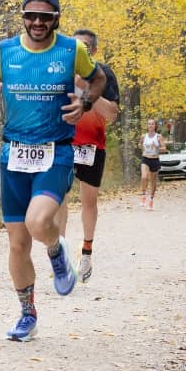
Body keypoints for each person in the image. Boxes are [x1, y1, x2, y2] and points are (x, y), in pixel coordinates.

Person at [0, 0, 107, 341]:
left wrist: (86, 102)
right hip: (14, 153)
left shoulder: (72, 50)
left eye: (44, 17)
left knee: (37, 222)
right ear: (23, 18)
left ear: (56, 19)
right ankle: (27, 315)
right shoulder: (4, 51)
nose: (37, 22)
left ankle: (55, 249)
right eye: (30, 16)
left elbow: (98, 79)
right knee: (17, 244)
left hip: (56, 151)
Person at [55, 29, 120, 283]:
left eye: (84, 46)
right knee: (59, 198)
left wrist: (87, 90)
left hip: (92, 145)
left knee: (88, 201)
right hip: (64, 143)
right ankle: (60, 256)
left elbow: (112, 114)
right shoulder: (61, 71)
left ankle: (86, 253)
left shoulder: (104, 74)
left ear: (93, 51)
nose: (78, 50)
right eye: (75, 46)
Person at [139, 119, 166, 209]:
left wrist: (157, 147)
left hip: (155, 160)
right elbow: (139, 145)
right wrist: (140, 145)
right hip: (145, 159)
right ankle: (143, 195)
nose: (150, 125)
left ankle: (151, 200)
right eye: (149, 124)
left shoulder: (159, 136)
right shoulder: (143, 136)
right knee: (144, 177)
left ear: (155, 126)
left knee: (152, 181)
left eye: (152, 124)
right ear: (147, 126)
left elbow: (164, 149)